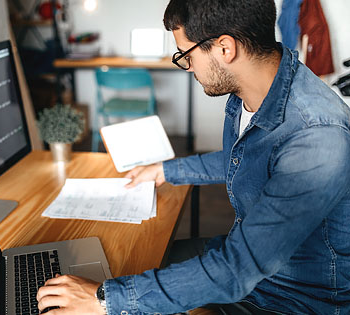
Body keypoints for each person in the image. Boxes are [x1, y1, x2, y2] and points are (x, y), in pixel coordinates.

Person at [36, 0, 350, 313]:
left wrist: (104, 300)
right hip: (250, 265)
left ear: (225, 48)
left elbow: (238, 269)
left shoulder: (317, 135)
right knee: (123, 264)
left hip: (292, 298)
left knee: (114, 290)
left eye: (187, 56)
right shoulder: (259, 90)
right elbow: (243, 159)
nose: (188, 68)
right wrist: (166, 170)